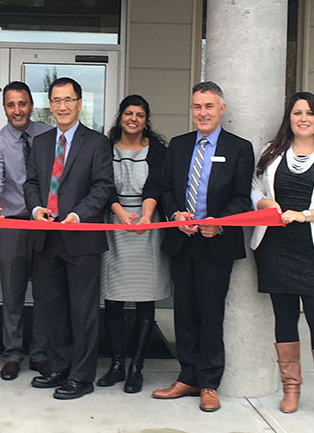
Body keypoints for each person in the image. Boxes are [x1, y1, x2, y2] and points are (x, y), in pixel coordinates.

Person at [251, 92, 314, 422]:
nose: (303, 118)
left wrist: (307, 214)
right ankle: (291, 388)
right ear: (289, 118)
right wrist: (263, 204)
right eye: (297, 112)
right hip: (276, 248)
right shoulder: (271, 152)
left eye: (310, 113)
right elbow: (254, 187)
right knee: (284, 319)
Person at [153, 81, 253, 412]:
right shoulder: (179, 146)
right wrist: (174, 213)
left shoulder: (239, 148)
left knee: (211, 313)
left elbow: (242, 197)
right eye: (197, 106)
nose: (203, 113)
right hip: (183, 240)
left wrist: (220, 222)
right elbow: (166, 187)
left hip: (216, 243)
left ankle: (209, 383)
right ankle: (187, 376)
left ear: (221, 109)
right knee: (184, 313)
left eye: (209, 106)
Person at [24, 77, 114, 400]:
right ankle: (60, 367)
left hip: (81, 238)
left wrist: (79, 214)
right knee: (54, 310)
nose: (62, 106)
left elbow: (103, 187)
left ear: (79, 104)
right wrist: (35, 208)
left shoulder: (97, 143)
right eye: (56, 100)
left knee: (83, 311)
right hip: (47, 238)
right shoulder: (42, 141)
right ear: (51, 105)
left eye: (68, 100)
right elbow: (31, 182)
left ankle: (81, 376)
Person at [97, 95, 171, 394]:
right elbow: (103, 184)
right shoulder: (105, 148)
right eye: (128, 113)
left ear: (146, 119)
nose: (133, 119)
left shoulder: (158, 151)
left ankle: (137, 368)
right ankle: (116, 364)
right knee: (113, 298)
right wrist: (119, 212)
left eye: (140, 115)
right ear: (120, 116)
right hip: (114, 223)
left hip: (147, 224)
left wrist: (146, 215)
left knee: (144, 299)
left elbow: (156, 184)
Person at [0, 81, 52, 381]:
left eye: (22, 104)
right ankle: (12, 354)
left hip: (45, 224)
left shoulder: (48, 135)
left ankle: (40, 353)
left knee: (45, 293)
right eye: (11, 105)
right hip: (11, 223)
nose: (17, 110)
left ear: (32, 105)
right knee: (12, 294)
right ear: (4, 108)